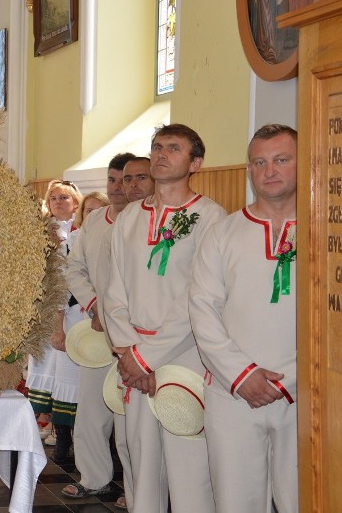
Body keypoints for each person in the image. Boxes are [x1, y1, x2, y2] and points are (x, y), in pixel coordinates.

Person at [104, 124, 225, 513]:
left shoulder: (211, 217)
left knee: (189, 468)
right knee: (141, 463)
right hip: (131, 358)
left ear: (196, 163)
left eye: (174, 148)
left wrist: (145, 357)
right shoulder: (130, 217)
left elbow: (200, 297)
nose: (161, 154)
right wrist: (127, 352)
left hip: (185, 355)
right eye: (157, 147)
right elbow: (114, 289)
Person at [190, 124, 298, 513]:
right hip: (232, 391)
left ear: (304, 162)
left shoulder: (327, 230)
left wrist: (295, 377)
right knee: (235, 504)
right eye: (259, 162)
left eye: (281, 159)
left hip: (306, 394)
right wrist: (242, 374)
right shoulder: (222, 232)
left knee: (305, 500)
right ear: (249, 169)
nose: (269, 170)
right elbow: (202, 309)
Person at [62, 153, 146, 509]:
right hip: (97, 331)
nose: (118, 188)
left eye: (125, 180)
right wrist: (94, 304)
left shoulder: (147, 222)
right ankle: (93, 478)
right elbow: (73, 269)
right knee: (92, 411)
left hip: (136, 335)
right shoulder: (95, 221)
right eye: (112, 181)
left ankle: (136, 489)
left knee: (130, 420)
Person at [27, 180, 82, 459]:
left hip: (78, 308)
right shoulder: (41, 232)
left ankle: (69, 434)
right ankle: (48, 425)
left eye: (64, 197)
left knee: (69, 369)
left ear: (75, 203)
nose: (59, 202)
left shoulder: (82, 231)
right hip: (48, 308)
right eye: (54, 198)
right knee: (47, 365)